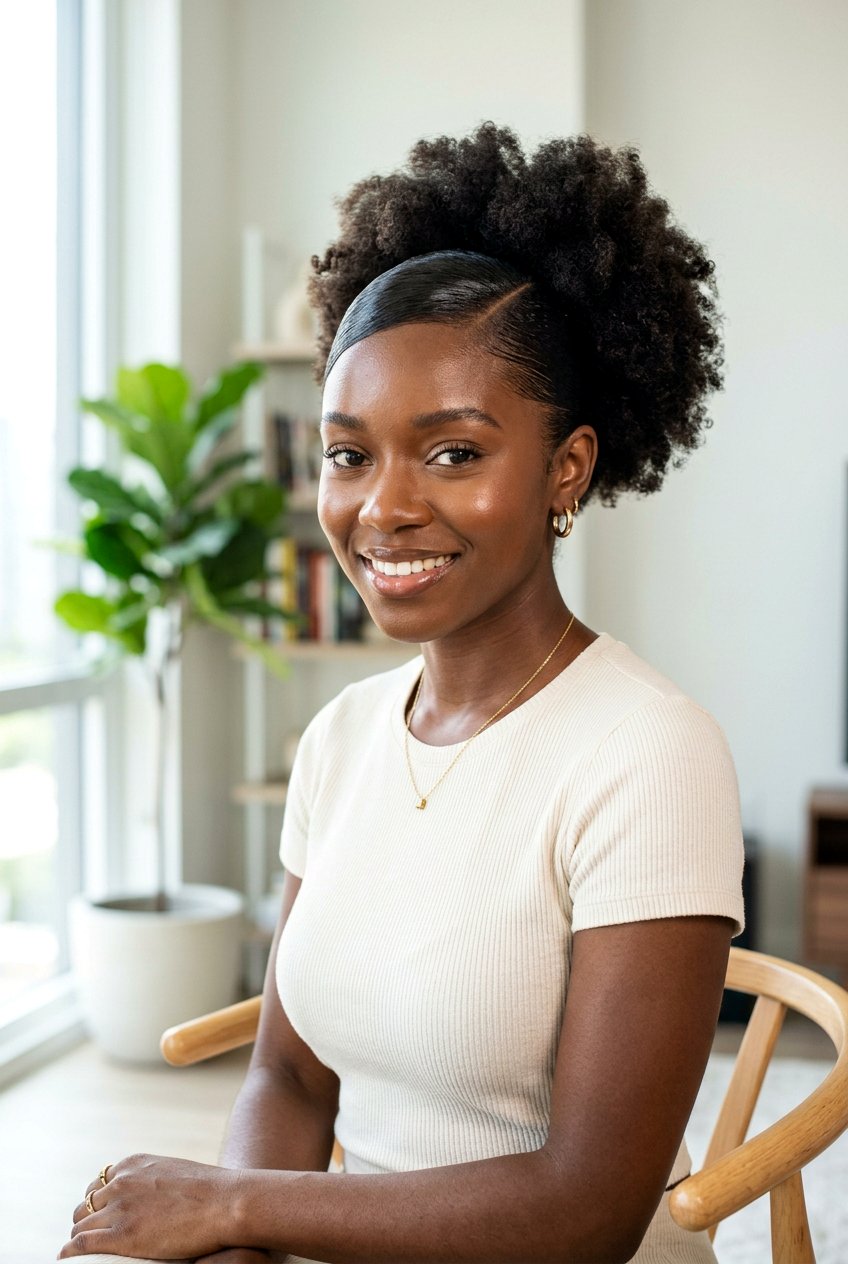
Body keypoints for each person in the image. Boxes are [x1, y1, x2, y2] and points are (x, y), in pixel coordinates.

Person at [60, 122, 745, 1264]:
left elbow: (586, 1208)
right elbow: (285, 1071)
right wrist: (239, 1246)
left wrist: (235, 1207)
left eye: (452, 453)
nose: (381, 508)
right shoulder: (338, 740)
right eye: (347, 454)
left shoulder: (649, 753)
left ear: (564, 468)